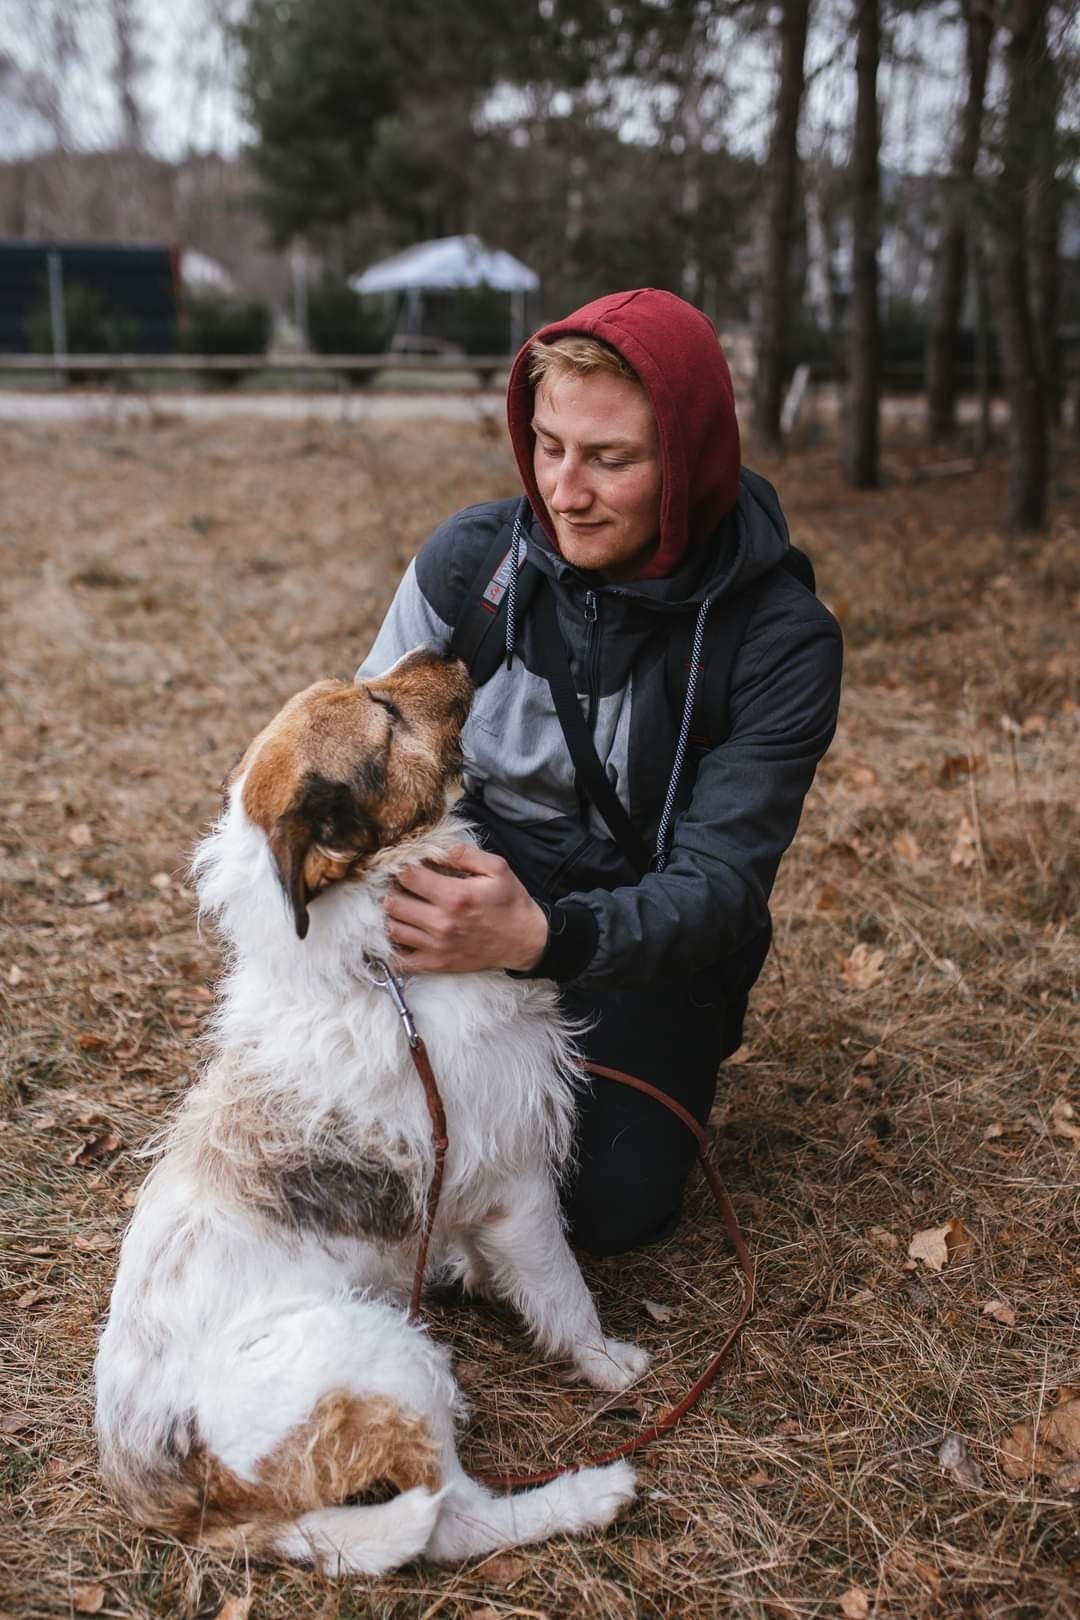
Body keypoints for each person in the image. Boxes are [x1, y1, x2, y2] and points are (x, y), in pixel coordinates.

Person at [357, 288, 842, 1257]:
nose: (562, 492)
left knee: (604, 1207)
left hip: (638, 937)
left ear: (688, 459)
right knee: (357, 1135)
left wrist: (542, 937)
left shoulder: (779, 642)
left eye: (609, 460)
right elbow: (369, 770)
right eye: (547, 445)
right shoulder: (468, 567)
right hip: (469, 891)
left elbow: (718, 889)